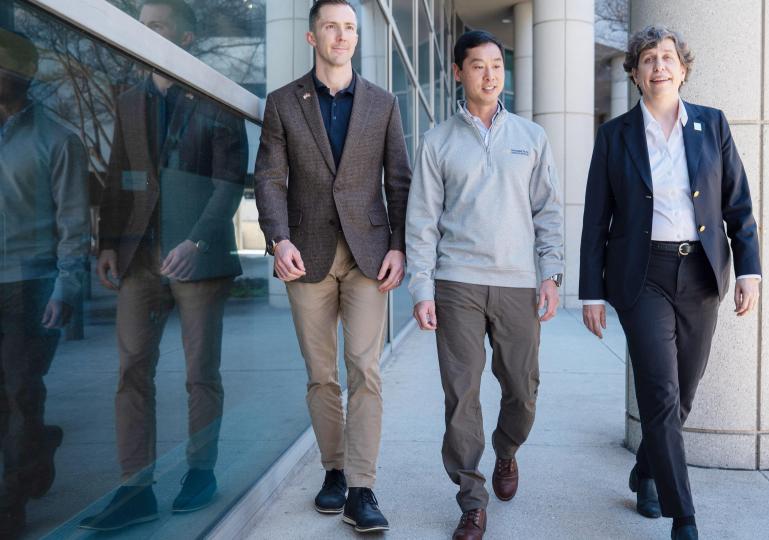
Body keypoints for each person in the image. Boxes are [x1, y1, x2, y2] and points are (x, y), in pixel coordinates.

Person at [579, 25, 762, 540]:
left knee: (683, 391)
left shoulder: (712, 125)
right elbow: (597, 219)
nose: (658, 65)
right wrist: (591, 290)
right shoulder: (615, 136)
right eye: (647, 59)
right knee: (659, 392)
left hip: (702, 273)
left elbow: (738, 206)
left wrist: (749, 270)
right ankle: (684, 516)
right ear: (635, 74)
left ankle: (646, 469)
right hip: (644, 276)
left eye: (667, 57)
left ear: (682, 69)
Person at [81, 0, 247, 531]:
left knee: (200, 373)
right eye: (141, 26)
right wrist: (107, 242)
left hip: (197, 260)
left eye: (156, 26)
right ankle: (136, 488)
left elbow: (229, 182)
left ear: (187, 38)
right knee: (132, 372)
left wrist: (196, 242)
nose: (144, 34)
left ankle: (201, 471)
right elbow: (116, 176)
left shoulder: (217, 99)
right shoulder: (130, 100)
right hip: (138, 258)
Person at [253, 0, 410, 533]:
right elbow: (269, 178)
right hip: (305, 255)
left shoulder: (383, 104)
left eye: (349, 28)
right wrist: (278, 240)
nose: (342, 36)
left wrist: (398, 244)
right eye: (331, 27)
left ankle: (363, 488)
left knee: (365, 370)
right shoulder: (281, 103)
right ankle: (334, 471)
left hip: (369, 256)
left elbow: (400, 182)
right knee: (322, 375)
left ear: (356, 37)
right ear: (311, 37)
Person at [406, 30, 563, 540]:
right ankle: (471, 498)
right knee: (461, 394)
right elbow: (422, 221)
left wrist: (551, 274)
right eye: (478, 65)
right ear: (458, 73)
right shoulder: (437, 141)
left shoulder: (531, 138)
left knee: (523, 389)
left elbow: (548, 214)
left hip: (517, 283)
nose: (490, 74)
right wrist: (422, 288)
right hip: (457, 284)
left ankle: (507, 450)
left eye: (497, 64)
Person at [0, 28, 89, 539]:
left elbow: (74, 225)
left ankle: (10, 504)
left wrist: (66, 287)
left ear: (21, 74)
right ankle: (37, 450)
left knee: (19, 394)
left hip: (30, 286)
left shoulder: (59, 139)